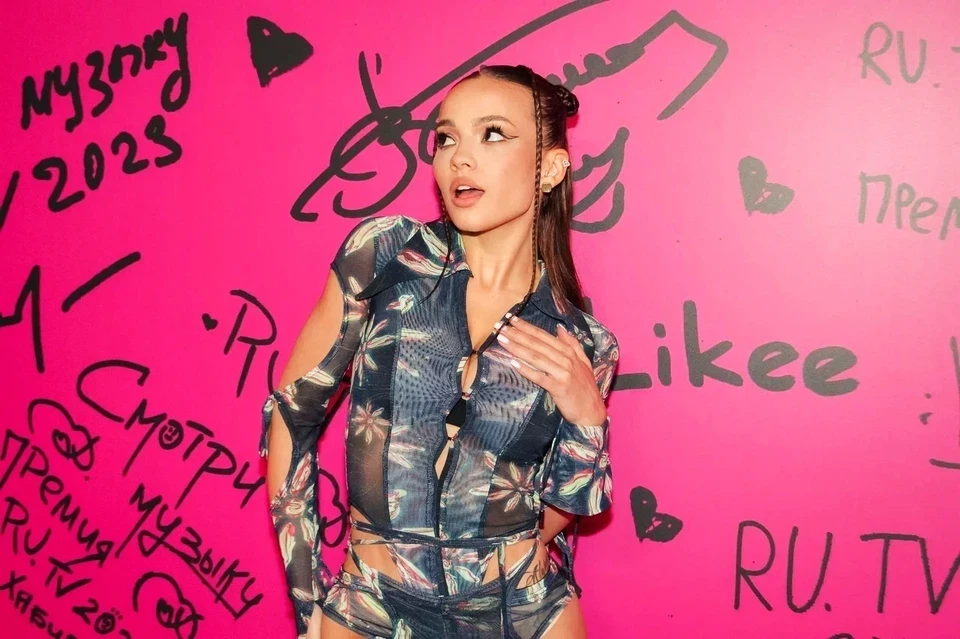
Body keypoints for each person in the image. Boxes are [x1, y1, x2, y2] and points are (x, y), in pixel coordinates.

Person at [260, 64, 620, 639]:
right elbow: (292, 414)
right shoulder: (386, 257)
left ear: (550, 168)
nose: (460, 158)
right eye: (446, 138)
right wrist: (309, 606)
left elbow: (555, 512)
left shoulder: (581, 342)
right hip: (374, 605)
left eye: (493, 133)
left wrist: (588, 422)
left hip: (522, 612)